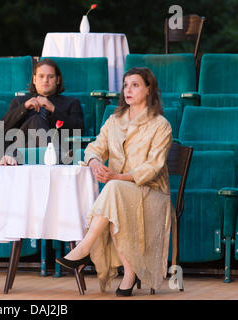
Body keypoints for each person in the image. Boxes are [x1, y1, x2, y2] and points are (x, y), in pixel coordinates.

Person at [56, 67, 175, 297]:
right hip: (119, 192)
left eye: (135, 85)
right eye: (126, 85)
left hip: (152, 193)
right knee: (115, 195)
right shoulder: (114, 120)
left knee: (113, 189)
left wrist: (117, 177)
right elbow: (94, 148)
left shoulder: (161, 125)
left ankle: (83, 249)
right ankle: (128, 274)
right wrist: (95, 164)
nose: (128, 90)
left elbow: (154, 167)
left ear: (149, 89)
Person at [2, 58, 84, 149]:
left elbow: (79, 131)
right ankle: (55, 156)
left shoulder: (71, 103)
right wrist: (24, 107)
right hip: (22, 151)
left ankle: (53, 155)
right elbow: (2, 129)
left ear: (58, 80)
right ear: (34, 79)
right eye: (41, 76)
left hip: (57, 145)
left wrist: (53, 109)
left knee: (37, 120)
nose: (45, 80)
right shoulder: (19, 101)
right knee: (35, 120)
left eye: (50, 76)